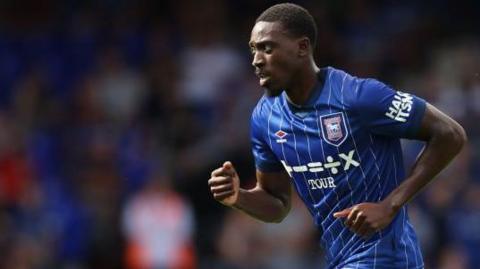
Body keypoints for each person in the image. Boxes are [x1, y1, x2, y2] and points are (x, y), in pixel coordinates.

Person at [208, 3, 467, 269]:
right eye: (253, 49)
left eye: (267, 47)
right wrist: (238, 196)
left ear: (302, 47)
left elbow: (450, 134)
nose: (257, 59)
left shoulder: (359, 96)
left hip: (387, 258)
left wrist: (390, 205)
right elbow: (278, 203)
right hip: (339, 259)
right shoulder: (265, 118)